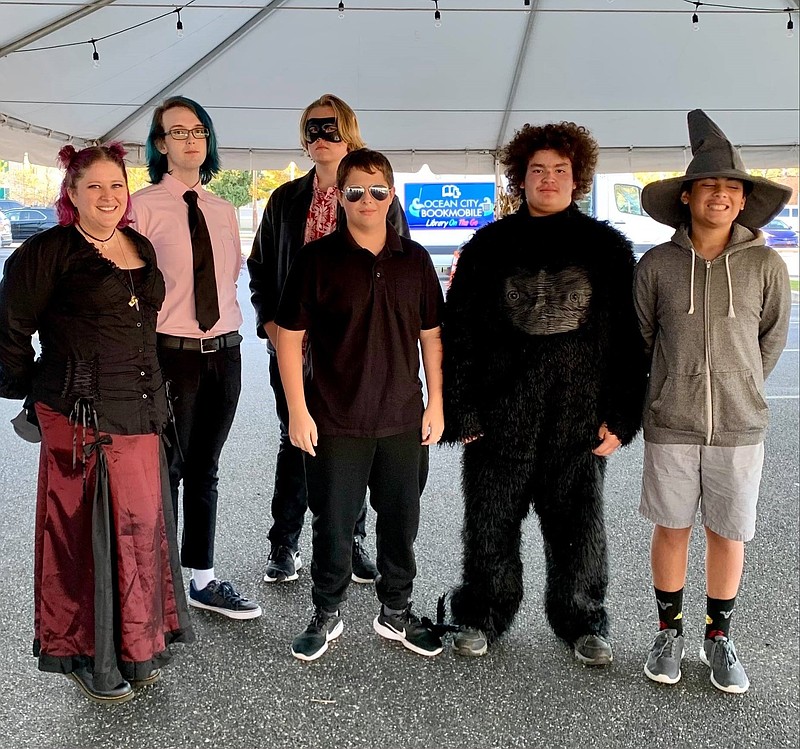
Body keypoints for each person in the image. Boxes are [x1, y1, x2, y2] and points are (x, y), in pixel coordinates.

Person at [442, 122, 647, 664]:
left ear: (577, 178)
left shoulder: (606, 249)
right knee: (488, 528)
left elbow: (631, 341)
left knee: (580, 532)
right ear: (520, 178)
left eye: (560, 170)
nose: (549, 179)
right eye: (538, 170)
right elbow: (458, 331)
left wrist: (623, 417)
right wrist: (461, 410)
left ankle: (584, 621)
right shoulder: (488, 247)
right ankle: (481, 615)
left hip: (576, 423)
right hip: (498, 420)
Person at [0, 143, 193, 704]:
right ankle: (89, 655)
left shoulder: (141, 247)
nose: (108, 198)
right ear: (72, 195)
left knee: (138, 534)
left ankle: (135, 647)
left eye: (116, 187)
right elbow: (9, 332)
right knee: (85, 538)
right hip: (80, 420)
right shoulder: (48, 253)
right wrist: (39, 387)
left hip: (141, 412)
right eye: (94, 188)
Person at [635, 110, 791, 693]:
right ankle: (668, 633)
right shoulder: (656, 266)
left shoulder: (766, 265)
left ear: (744, 198)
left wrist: (739, 382)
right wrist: (672, 385)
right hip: (671, 423)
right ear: (688, 196)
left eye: (731, 186)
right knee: (671, 527)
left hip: (739, 425)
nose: (721, 194)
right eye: (709, 185)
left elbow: (770, 338)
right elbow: (642, 340)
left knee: (728, 533)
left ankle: (719, 638)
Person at [275, 148, 444, 661]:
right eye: (354, 191)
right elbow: (287, 339)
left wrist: (436, 403)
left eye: (376, 190)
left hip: (402, 418)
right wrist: (298, 412)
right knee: (332, 521)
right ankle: (326, 612)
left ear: (391, 194)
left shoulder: (413, 260)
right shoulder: (316, 259)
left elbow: (432, 336)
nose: (366, 199)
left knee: (401, 520)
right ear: (338, 196)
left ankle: (396, 611)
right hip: (335, 419)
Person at [247, 94, 410, 585]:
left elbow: (395, 268)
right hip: (293, 347)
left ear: (350, 135)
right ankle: (285, 542)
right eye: (313, 130)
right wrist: (270, 324)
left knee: (353, 441)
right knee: (294, 439)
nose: (321, 138)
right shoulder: (284, 200)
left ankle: (350, 539)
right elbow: (259, 270)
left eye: (332, 129)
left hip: (353, 351)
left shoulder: (377, 197)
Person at [131, 96, 261, 619]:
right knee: (169, 468)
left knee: (206, 466)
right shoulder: (140, 206)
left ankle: (202, 579)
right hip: (172, 355)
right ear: (160, 145)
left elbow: (227, 280)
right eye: (178, 132)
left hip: (226, 353)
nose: (191, 140)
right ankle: (158, 585)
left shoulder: (223, 209)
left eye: (199, 131)